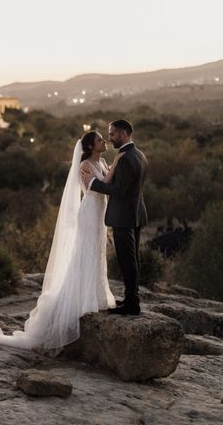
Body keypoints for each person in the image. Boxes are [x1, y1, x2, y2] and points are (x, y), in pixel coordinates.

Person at [0, 130, 123, 350]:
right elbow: (100, 184)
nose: (103, 141)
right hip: (89, 214)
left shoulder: (102, 161)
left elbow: (108, 182)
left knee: (97, 253)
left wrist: (113, 164)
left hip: (100, 215)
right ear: (89, 146)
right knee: (86, 253)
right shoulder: (84, 166)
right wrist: (117, 163)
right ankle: (82, 300)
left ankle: (96, 295)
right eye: (98, 140)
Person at [81, 119, 148, 315]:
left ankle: (131, 304)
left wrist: (93, 183)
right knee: (132, 259)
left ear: (124, 134)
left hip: (123, 217)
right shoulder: (138, 154)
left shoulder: (126, 158)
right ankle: (131, 299)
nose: (109, 139)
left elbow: (118, 191)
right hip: (135, 213)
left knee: (128, 261)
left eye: (112, 134)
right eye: (107, 136)